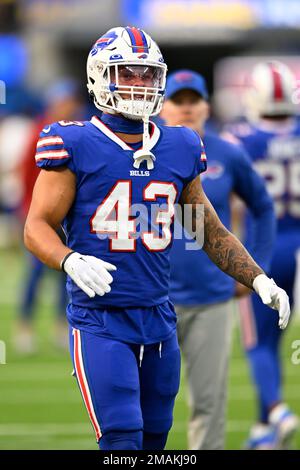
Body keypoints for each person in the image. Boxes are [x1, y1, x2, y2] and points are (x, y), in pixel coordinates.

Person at [24, 27, 290, 451]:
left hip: (159, 316)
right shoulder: (73, 141)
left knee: (154, 440)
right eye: (128, 74)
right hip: (101, 318)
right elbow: (36, 225)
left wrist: (259, 278)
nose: (140, 85)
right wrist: (69, 259)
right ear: (99, 77)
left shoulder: (181, 144)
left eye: (148, 75)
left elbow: (209, 229)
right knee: (122, 436)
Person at [161, 69, 276, 450]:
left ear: (207, 106)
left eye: (195, 100)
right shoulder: (140, 151)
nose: (187, 108)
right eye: (179, 100)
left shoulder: (226, 153)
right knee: (146, 406)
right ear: (162, 106)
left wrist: (253, 270)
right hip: (152, 298)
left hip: (211, 296)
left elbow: (262, 206)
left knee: (209, 404)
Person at [225, 61, 299, 449]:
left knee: (258, 341)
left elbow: (229, 200)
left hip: (264, 250)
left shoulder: (241, 138)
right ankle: (263, 428)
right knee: (278, 339)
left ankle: (277, 409)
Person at [15, 79, 84, 353]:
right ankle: (25, 326)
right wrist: (27, 213)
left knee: (64, 275)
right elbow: (25, 176)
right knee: (34, 275)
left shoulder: (78, 131)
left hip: (67, 218)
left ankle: (60, 325)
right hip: (42, 216)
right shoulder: (41, 133)